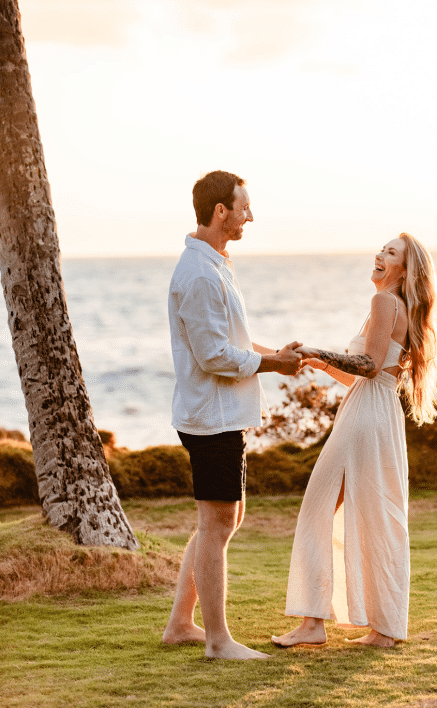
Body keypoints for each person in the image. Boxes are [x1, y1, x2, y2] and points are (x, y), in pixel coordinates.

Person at [271, 233, 437, 649]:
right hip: (377, 413)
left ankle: (313, 624)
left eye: (391, 253)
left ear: (404, 270)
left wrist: (319, 348)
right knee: (376, 516)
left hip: (365, 416)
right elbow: (366, 373)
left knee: (317, 508)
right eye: (382, 248)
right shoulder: (395, 306)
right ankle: (382, 630)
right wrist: (317, 361)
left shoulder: (385, 302)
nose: (380, 254)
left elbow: (368, 366)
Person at [161, 170, 304, 660]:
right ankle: (218, 641)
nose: (249, 215)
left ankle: (181, 624)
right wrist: (272, 363)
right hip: (210, 417)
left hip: (222, 414)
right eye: (243, 206)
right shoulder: (199, 273)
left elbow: (235, 344)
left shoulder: (216, 264)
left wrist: (277, 357)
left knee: (221, 521)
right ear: (220, 211)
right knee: (218, 522)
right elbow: (213, 356)